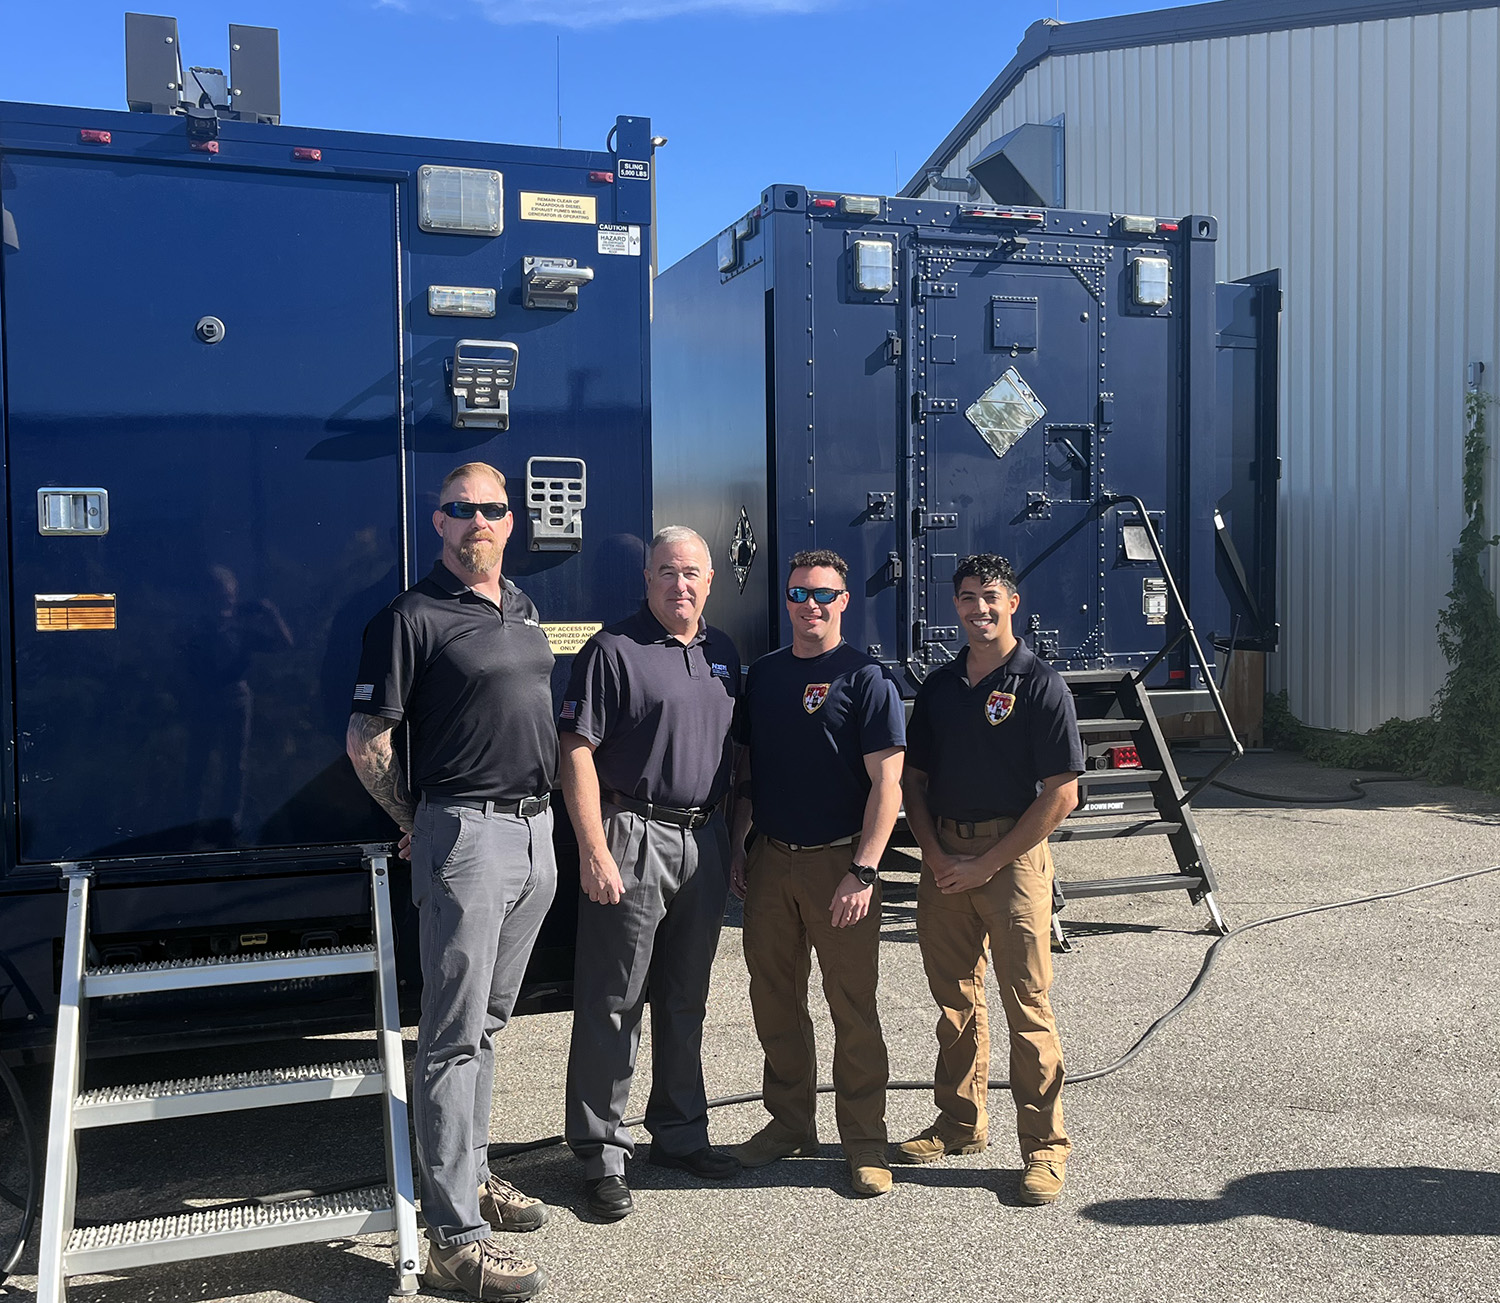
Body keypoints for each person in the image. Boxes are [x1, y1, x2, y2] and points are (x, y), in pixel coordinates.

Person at [348, 462, 555, 1302]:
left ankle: (471, 1177)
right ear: (438, 521)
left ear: (511, 521)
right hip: (465, 833)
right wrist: (416, 818)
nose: (479, 520)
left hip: (535, 832)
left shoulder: (524, 606)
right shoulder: (409, 615)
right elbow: (367, 739)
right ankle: (452, 1237)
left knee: (489, 1025)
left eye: (493, 508)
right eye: (462, 509)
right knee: (449, 1033)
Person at [557, 525, 742, 1220]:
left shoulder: (723, 652)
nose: (680, 584)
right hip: (631, 832)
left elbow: (738, 751)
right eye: (667, 571)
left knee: (685, 997)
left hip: (706, 834)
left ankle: (679, 1133)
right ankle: (601, 1151)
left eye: (692, 572)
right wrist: (594, 849)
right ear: (647, 578)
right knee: (614, 999)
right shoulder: (612, 649)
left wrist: (738, 837)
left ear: (711, 579)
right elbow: (575, 751)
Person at [894, 553, 1084, 1206]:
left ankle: (1044, 1148)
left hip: (1011, 863)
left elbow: (1062, 795)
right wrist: (934, 850)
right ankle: (960, 1123)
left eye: (991, 596)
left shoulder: (1040, 685)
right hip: (943, 858)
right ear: (957, 606)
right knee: (955, 1003)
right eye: (968, 596)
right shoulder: (942, 688)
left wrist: (988, 861)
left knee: (1027, 1008)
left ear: (1014, 603)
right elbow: (912, 780)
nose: (979, 607)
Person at [727, 549, 905, 1197]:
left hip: (841, 863)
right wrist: (737, 843)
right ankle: (789, 1123)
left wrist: (863, 869)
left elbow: (889, 785)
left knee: (851, 1007)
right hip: (772, 860)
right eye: (800, 594)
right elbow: (746, 772)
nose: (811, 606)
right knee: (774, 998)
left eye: (824, 595)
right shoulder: (766, 676)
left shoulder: (867, 678)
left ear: (845, 601)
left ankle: (864, 1140)